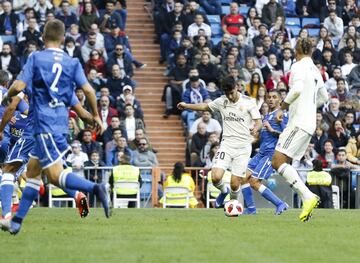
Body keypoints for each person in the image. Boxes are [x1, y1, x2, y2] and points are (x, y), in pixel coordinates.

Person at [0, 19, 110, 235]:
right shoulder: (71, 67)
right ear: (62, 38)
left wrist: (9, 95)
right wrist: (96, 117)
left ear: (43, 36)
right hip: (60, 128)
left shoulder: (36, 62)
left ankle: (95, 188)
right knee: (34, 175)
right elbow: (86, 95)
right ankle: (16, 222)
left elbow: (18, 90)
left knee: (36, 174)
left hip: (40, 127)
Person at [178, 76, 262, 208]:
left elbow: (258, 122)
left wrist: (255, 129)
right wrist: (187, 105)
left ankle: (232, 205)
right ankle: (224, 191)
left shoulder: (249, 102)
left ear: (237, 87)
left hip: (243, 148)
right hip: (227, 145)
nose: (229, 96)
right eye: (227, 93)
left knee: (235, 183)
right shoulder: (222, 101)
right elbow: (205, 106)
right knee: (215, 177)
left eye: (231, 93)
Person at [271, 38, 329, 222]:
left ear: (296, 50)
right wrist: (309, 107)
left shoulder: (297, 67)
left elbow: (296, 89)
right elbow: (324, 97)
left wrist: (283, 106)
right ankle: (306, 199)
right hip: (308, 122)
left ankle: (308, 196)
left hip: (298, 122)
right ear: (311, 51)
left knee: (277, 161)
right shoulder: (315, 70)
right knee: (285, 161)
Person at [241, 89, 289, 215]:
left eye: (274, 97)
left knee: (254, 181)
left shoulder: (281, 115)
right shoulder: (266, 117)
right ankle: (251, 209)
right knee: (243, 178)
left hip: (271, 154)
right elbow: (262, 137)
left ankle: (280, 203)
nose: (271, 99)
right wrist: (254, 134)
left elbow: (286, 136)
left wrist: (271, 129)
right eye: (269, 97)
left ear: (280, 100)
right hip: (261, 153)